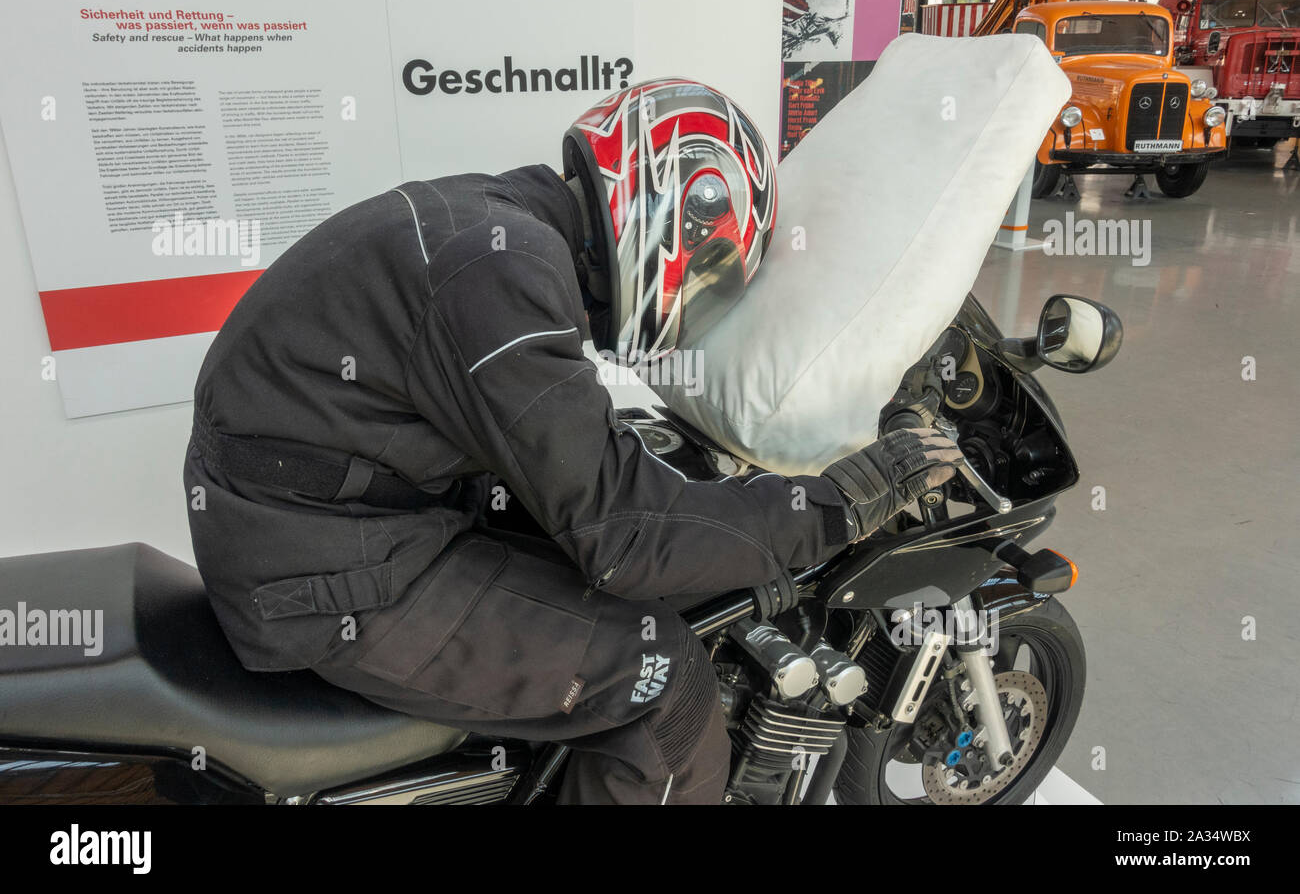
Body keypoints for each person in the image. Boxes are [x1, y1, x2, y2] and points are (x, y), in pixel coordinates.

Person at [183, 78, 962, 804]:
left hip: (315, 524)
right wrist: (835, 504)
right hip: (327, 572)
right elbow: (623, 537)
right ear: (669, 216)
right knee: (667, 682)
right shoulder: (506, 271)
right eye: (710, 271)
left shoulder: (502, 229)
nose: (699, 295)